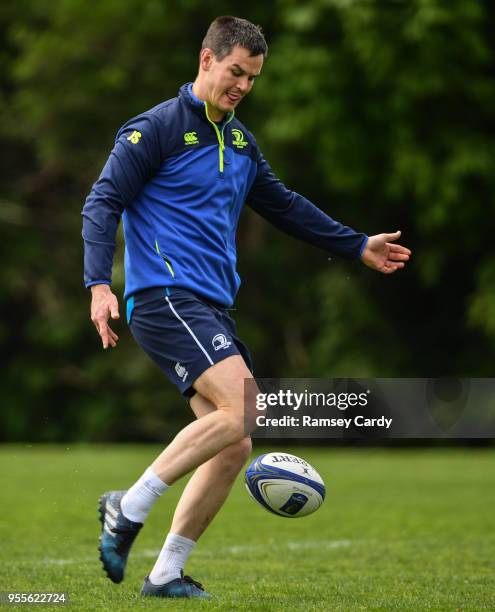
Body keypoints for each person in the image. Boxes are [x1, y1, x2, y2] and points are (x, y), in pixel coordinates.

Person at [82, 15, 411, 599]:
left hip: (209, 305)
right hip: (164, 294)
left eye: (253, 78)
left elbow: (283, 205)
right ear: (206, 60)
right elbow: (103, 201)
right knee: (243, 406)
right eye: (236, 72)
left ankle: (164, 575)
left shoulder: (238, 141)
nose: (242, 86)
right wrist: (98, 284)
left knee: (234, 440)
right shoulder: (154, 129)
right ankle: (126, 509)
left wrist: (357, 244)